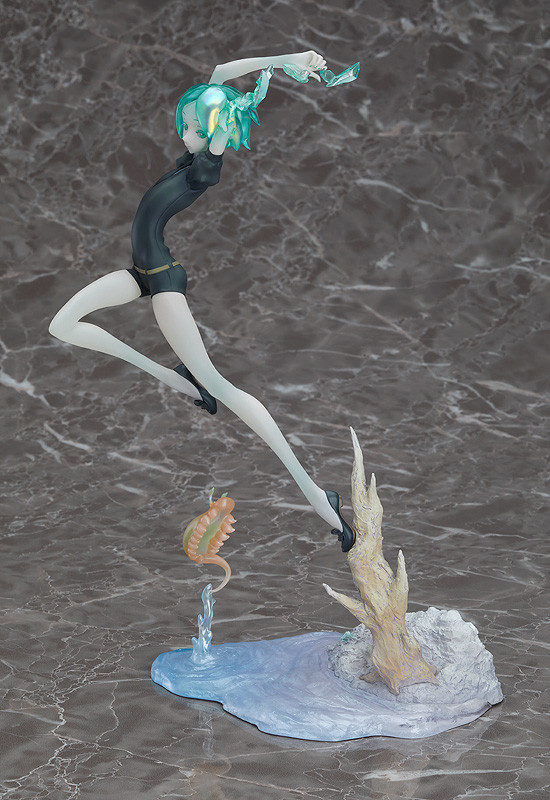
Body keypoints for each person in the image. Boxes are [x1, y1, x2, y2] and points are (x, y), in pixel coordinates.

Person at [49, 50, 355, 551]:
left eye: (193, 126)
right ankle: (180, 381)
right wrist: (289, 57)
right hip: (140, 274)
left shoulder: (204, 165)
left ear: (213, 130)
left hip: (163, 282)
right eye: (186, 124)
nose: (184, 132)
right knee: (63, 324)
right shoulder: (191, 156)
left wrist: (221, 123)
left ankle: (320, 498)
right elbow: (220, 75)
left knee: (221, 386)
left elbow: (221, 114)